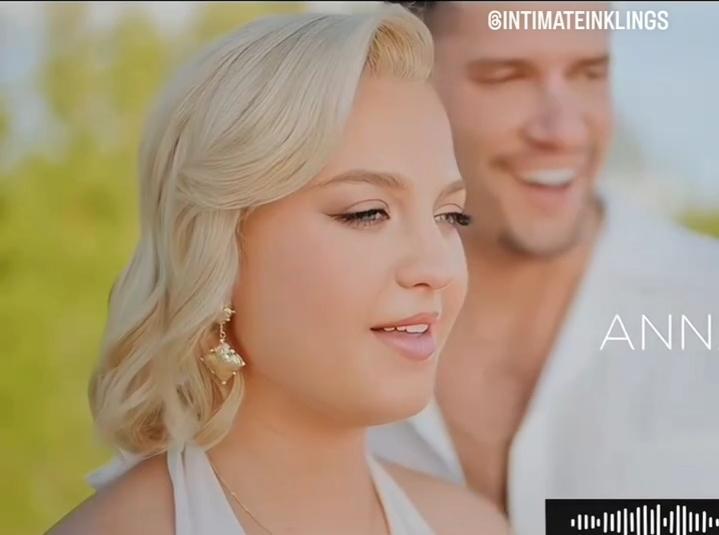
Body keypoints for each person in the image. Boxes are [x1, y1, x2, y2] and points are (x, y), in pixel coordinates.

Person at [46, 6, 510, 535]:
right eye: (367, 212)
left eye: (450, 216)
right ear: (217, 246)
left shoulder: (473, 526)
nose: (436, 269)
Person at [370, 2, 719, 534]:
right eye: (505, 77)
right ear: (405, 82)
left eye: (588, 74)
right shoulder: (306, 338)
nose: (564, 131)